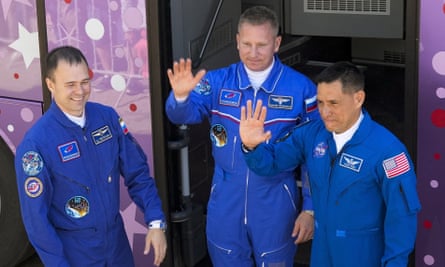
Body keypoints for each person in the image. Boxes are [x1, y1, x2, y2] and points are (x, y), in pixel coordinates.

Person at [165, 5, 318, 267]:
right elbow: (181, 116)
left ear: (277, 43)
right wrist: (179, 97)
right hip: (225, 197)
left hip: (276, 199)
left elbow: (315, 152)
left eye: (262, 44)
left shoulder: (301, 88)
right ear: (237, 42)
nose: (253, 53)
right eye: (246, 44)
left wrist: (310, 209)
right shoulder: (216, 81)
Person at [239, 61, 421, 267]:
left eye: (333, 103)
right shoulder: (312, 134)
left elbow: (402, 217)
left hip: (363, 254)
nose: (325, 112)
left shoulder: (388, 150)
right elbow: (269, 165)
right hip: (322, 251)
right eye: (321, 103)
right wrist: (251, 147)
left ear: (358, 98)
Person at [14, 46, 167, 267]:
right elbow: (36, 220)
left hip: (117, 248)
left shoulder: (107, 118)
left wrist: (155, 222)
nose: (80, 91)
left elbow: (138, 173)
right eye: (70, 85)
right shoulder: (36, 145)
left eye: (85, 82)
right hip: (76, 255)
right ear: (50, 85)